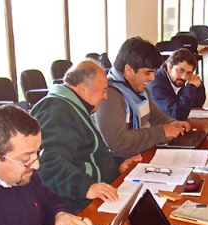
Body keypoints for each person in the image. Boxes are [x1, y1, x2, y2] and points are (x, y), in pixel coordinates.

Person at [31, 60, 141, 211]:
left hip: (100, 192)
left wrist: (118, 165)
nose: (105, 97)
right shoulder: (57, 111)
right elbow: (48, 163)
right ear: (82, 89)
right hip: (76, 203)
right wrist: (85, 187)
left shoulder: (73, 106)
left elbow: (88, 154)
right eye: (103, 90)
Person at [94, 37, 191, 159]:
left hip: (143, 153)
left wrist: (172, 124)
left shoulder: (139, 88)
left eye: (153, 73)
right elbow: (119, 143)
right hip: (121, 165)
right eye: (147, 73)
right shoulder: (109, 96)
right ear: (129, 70)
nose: (152, 78)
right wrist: (161, 132)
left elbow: (154, 115)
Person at [147, 48, 206, 120]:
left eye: (188, 73)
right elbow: (177, 115)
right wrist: (191, 87)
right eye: (181, 70)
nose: (184, 77)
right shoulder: (155, 84)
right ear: (169, 66)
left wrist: (198, 86)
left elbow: (198, 104)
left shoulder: (186, 79)